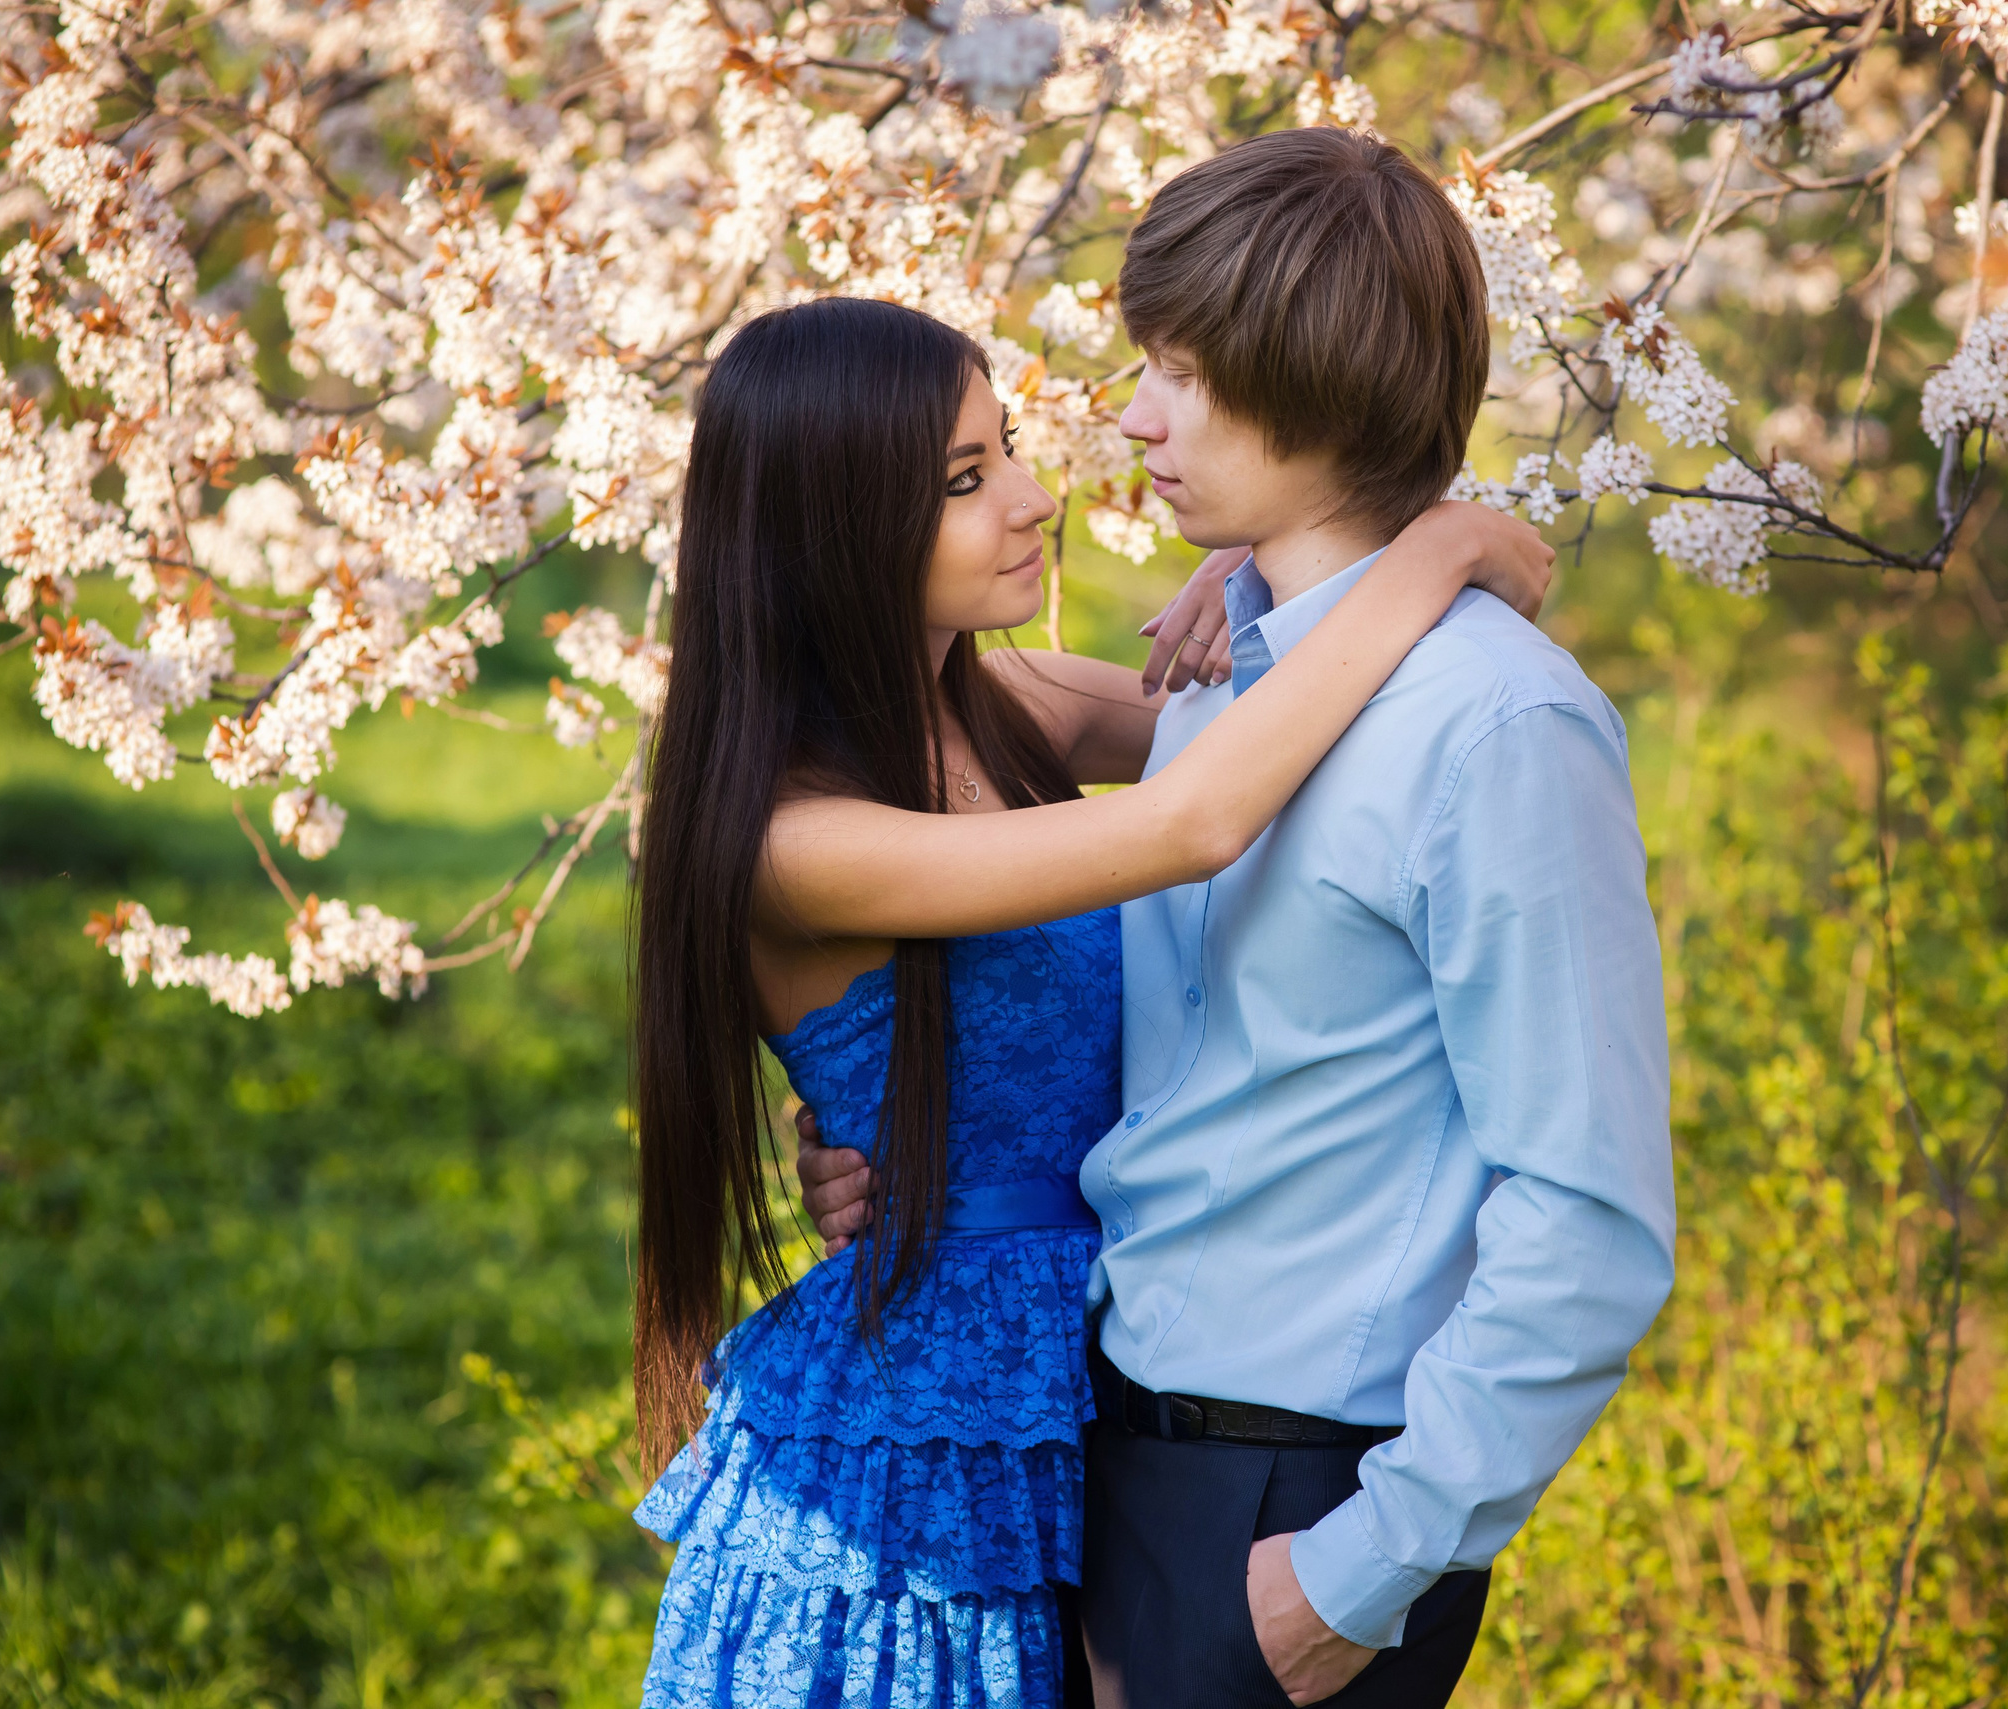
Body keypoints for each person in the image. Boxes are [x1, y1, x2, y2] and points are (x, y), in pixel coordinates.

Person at [802, 127, 1677, 1708]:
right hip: (1096, 1442)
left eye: (1184, 372)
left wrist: (1361, 1570)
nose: (1130, 417)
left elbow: (1591, 1218)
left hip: (1295, 1500)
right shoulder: (1225, 684)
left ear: (1318, 384)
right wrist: (905, 1135)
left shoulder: (1496, 728)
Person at [626, 292, 1551, 1709]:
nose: (1033, 498)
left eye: (1006, 451)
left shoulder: (1024, 708)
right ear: (831, 526)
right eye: (964, 480)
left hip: (1120, 1371)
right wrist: (1437, 550)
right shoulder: (790, 837)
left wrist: (1259, 576)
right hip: (928, 1461)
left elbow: (1310, 710)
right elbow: (1193, 820)